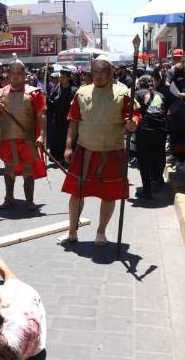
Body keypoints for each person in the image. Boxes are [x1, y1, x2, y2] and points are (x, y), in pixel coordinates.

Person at [58, 55, 140, 246]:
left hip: (112, 151)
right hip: (85, 150)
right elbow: (74, 121)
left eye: (103, 71)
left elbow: (134, 114)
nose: (98, 75)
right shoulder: (82, 93)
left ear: (111, 72)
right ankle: (72, 231)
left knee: (109, 194)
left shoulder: (123, 93)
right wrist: (68, 146)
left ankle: (101, 231)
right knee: (76, 193)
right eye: (95, 71)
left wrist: (132, 123)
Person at [0, 60, 47, 209]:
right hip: (7, 139)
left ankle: (29, 201)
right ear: (9, 74)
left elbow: (41, 115)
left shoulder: (34, 93)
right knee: (9, 168)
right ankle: (9, 198)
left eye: (19, 73)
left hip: (27, 139)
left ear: (24, 75)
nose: (15, 76)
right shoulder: (0, 94)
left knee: (28, 168)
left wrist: (41, 135)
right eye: (12, 73)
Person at [134, 74, 168, 198]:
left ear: (140, 84)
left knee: (144, 160)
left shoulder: (138, 94)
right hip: (161, 130)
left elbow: (134, 111)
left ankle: (147, 188)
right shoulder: (161, 95)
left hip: (144, 130)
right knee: (158, 155)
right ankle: (157, 179)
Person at [47, 68, 77, 167]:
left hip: (69, 120)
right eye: (61, 77)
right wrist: (46, 99)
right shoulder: (57, 89)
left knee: (67, 139)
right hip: (58, 119)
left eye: (63, 77)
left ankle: (68, 158)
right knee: (58, 139)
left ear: (68, 78)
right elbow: (52, 104)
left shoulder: (74, 90)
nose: (61, 79)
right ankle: (58, 158)